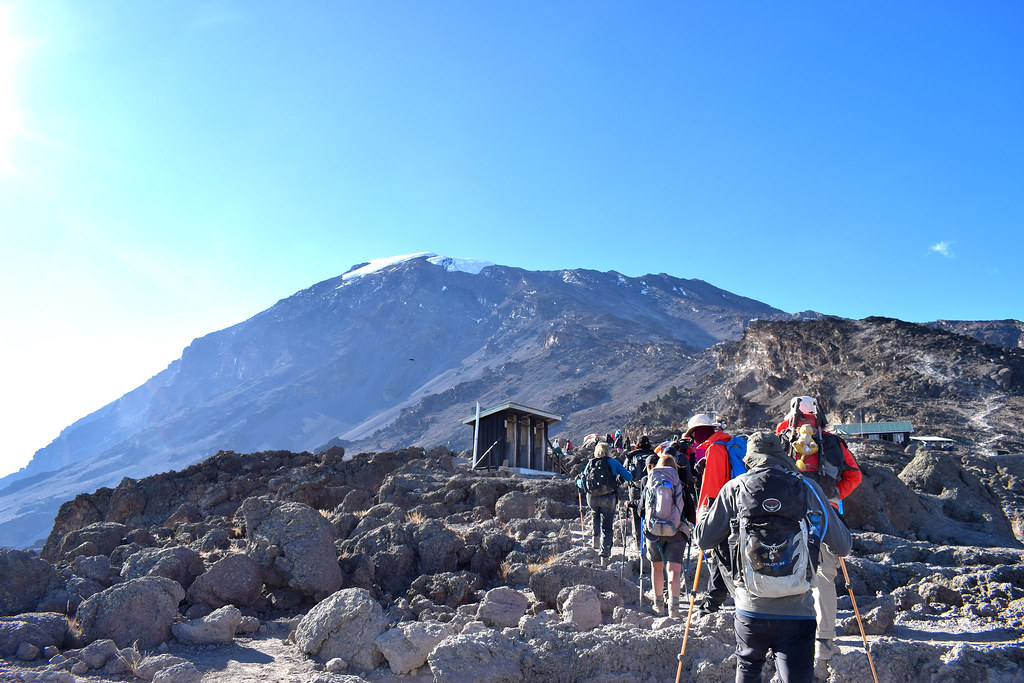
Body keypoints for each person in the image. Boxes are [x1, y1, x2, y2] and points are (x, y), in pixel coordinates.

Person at [695, 431, 852, 683]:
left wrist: (703, 515)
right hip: (797, 610)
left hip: (750, 608)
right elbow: (843, 546)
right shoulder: (807, 487)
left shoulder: (734, 488)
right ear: (781, 457)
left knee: (748, 669)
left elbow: (704, 540)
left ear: (750, 460)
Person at [776, 396, 863, 665]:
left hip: (787, 518)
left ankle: (789, 637)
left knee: (787, 573)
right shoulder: (833, 442)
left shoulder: (781, 441)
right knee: (825, 576)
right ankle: (824, 642)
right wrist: (834, 495)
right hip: (826, 518)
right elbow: (855, 476)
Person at [685, 413, 733, 616]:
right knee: (725, 555)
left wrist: (703, 514)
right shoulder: (724, 445)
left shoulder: (715, 449)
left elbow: (712, 488)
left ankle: (713, 601)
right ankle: (715, 598)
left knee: (720, 555)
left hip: (720, 509)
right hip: (732, 506)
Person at [640, 452, 690, 617]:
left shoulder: (650, 480)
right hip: (676, 531)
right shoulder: (679, 482)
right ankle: (674, 610)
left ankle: (658, 605)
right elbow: (690, 511)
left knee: (656, 567)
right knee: (674, 570)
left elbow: (641, 510)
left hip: (653, 531)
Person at [575, 441, 632, 565]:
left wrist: (577, 482)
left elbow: (583, 481)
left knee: (595, 516)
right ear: (609, 451)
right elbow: (629, 477)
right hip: (608, 498)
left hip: (592, 498)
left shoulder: (591, 463)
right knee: (606, 526)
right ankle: (604, 555)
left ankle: (595, 545)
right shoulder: (613, 462)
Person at [624, 435, 657, 552]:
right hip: (651, 489)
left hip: (635, 489)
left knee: (636, 516)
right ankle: (651, 543)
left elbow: (624, 473)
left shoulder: (631, 456)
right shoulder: (653, 456)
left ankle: (638, 544)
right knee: (652, 513)